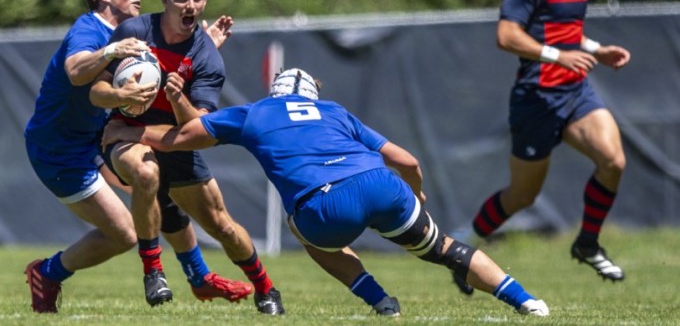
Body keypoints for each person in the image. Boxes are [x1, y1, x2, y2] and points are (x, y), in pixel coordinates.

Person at [102, 68, 550, 317]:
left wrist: (130, 129)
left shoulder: (256, 112)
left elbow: (178, 139)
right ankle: (528, 302)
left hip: (324, 204)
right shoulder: (333, 110)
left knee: (309, 235)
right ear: (312, 94)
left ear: (276, 90)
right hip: (383, 186)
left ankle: (381, 303)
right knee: (447, 250)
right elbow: (408, 161)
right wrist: (415, 195)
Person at [23, 0, 251, 314]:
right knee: (124, 234)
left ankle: (199, 276)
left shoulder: (134, 32)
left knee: (159, 188)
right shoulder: (90, 28)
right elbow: (74, 70)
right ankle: (46, 272)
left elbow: (161, 67)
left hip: (95, 137)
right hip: (60, 151)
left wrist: (200, 47)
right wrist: (112, 51)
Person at [90, 0, 284, 315]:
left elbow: (198, 132)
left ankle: (266, 288)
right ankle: (153, 272)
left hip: (172, 140)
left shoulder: (207, 57)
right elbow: (96, 91)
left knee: (223, 227)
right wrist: (120, 98)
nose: (189, 6)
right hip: (125, 140)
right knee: (146, 173)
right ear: (165, 0)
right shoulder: (134, 31)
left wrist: (178, 98)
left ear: (205, 1)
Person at [468, 0, 630, 287]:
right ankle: (464, 248)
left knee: (614, 161)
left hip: (575, 94)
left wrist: (596, 50)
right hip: (535, 100)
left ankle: (587, 244)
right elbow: (506, 36)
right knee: (522, 196)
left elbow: (566, 32)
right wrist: (558, 57)